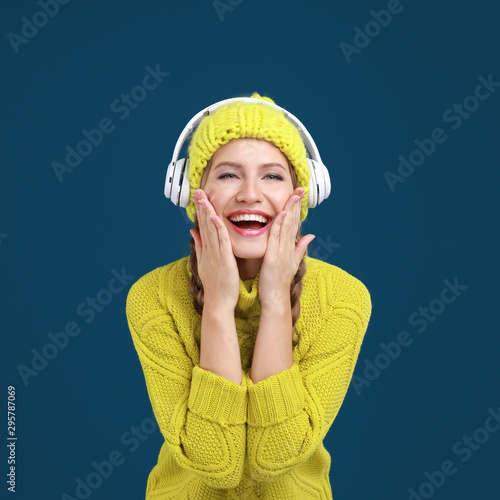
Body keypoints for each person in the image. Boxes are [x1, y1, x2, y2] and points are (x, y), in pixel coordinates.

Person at [125, 93, 372, 499]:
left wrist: (276, 302)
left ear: (304, 193)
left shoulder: (343, 298)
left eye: (272, 176)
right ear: (190, 191)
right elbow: (214, 465)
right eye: (228, 175)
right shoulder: (153, 297)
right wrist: (218, 308)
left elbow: (275, 458)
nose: (250, 195)